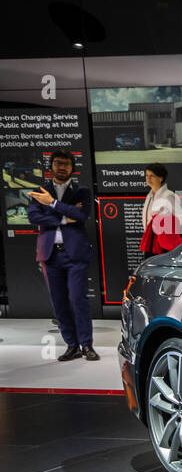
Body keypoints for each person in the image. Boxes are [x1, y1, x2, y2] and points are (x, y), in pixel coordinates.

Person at [27, 150, 97, 361]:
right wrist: (64, 218)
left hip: (75, 254)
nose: (62, 167)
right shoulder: (40, 191)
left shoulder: (81, 191)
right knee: (59, 303)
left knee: (78, 299)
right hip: (50, 256)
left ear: (72, 167)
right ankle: (72, 345)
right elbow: (33, 217)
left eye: (66, 164)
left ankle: (86, 345)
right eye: (58, 163)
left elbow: (82, 214)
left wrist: (53, 204)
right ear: (51, 166)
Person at [139, 163, 182, 258]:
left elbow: (181, 219)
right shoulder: (149, 196)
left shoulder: (168, 196)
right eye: (147, 175)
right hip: (151, 242)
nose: (148, 178)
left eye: (152, 176)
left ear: (161, 178)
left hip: (164, 243)